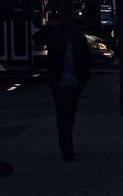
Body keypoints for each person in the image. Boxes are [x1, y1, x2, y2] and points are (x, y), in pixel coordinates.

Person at [32, 9, 92, 160]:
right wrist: (50, 27)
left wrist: (84, 79)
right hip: (60, 80)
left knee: (69, 114)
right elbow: (37, 37)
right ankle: (66, 144)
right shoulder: (57, 37)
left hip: (71, 80)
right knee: (63, 114)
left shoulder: (78, 39)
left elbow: (85, 61)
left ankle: (67, 142)